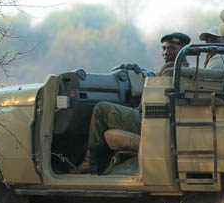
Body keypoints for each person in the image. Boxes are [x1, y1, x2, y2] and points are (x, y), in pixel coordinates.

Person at [79, 32, 190, 174]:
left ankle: (90, 162)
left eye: (172, 48)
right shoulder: (186, 70)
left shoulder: (168, 69)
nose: (165, 53)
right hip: (163, 122)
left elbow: (150, 100)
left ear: (183, 51)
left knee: (101, 109)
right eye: (164, 48)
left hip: (150, 121)